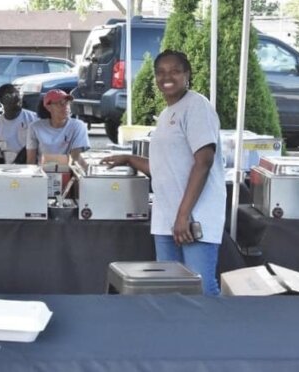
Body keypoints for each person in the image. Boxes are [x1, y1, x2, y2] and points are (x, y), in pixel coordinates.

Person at [101, 50, 225, 296]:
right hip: (167, 218)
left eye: (175, 71)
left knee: (201, 288)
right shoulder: (167, 113)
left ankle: (213, 334)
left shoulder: (197, 105)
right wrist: (128, 158)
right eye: (161, 72)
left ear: (187, 75)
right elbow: (162, 169)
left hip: (192, 219)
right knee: (168, 289)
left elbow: (204, 161)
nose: (167, 77)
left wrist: (183, 215)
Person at [26, 89, 90, 165]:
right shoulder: (35, 127)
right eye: (61, 103)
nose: (66, 106)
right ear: (48, 107)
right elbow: (31, 160)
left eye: (67, 102)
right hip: (42, 173)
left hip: (69, 172)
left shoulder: (78, 126)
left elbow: (76, 158)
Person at [0, 84, 37, 164]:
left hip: (33, 169)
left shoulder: (34, 119)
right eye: (11, 95)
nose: (17, 98)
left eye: (18, 94)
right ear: (1, 101)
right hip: (9, 170)